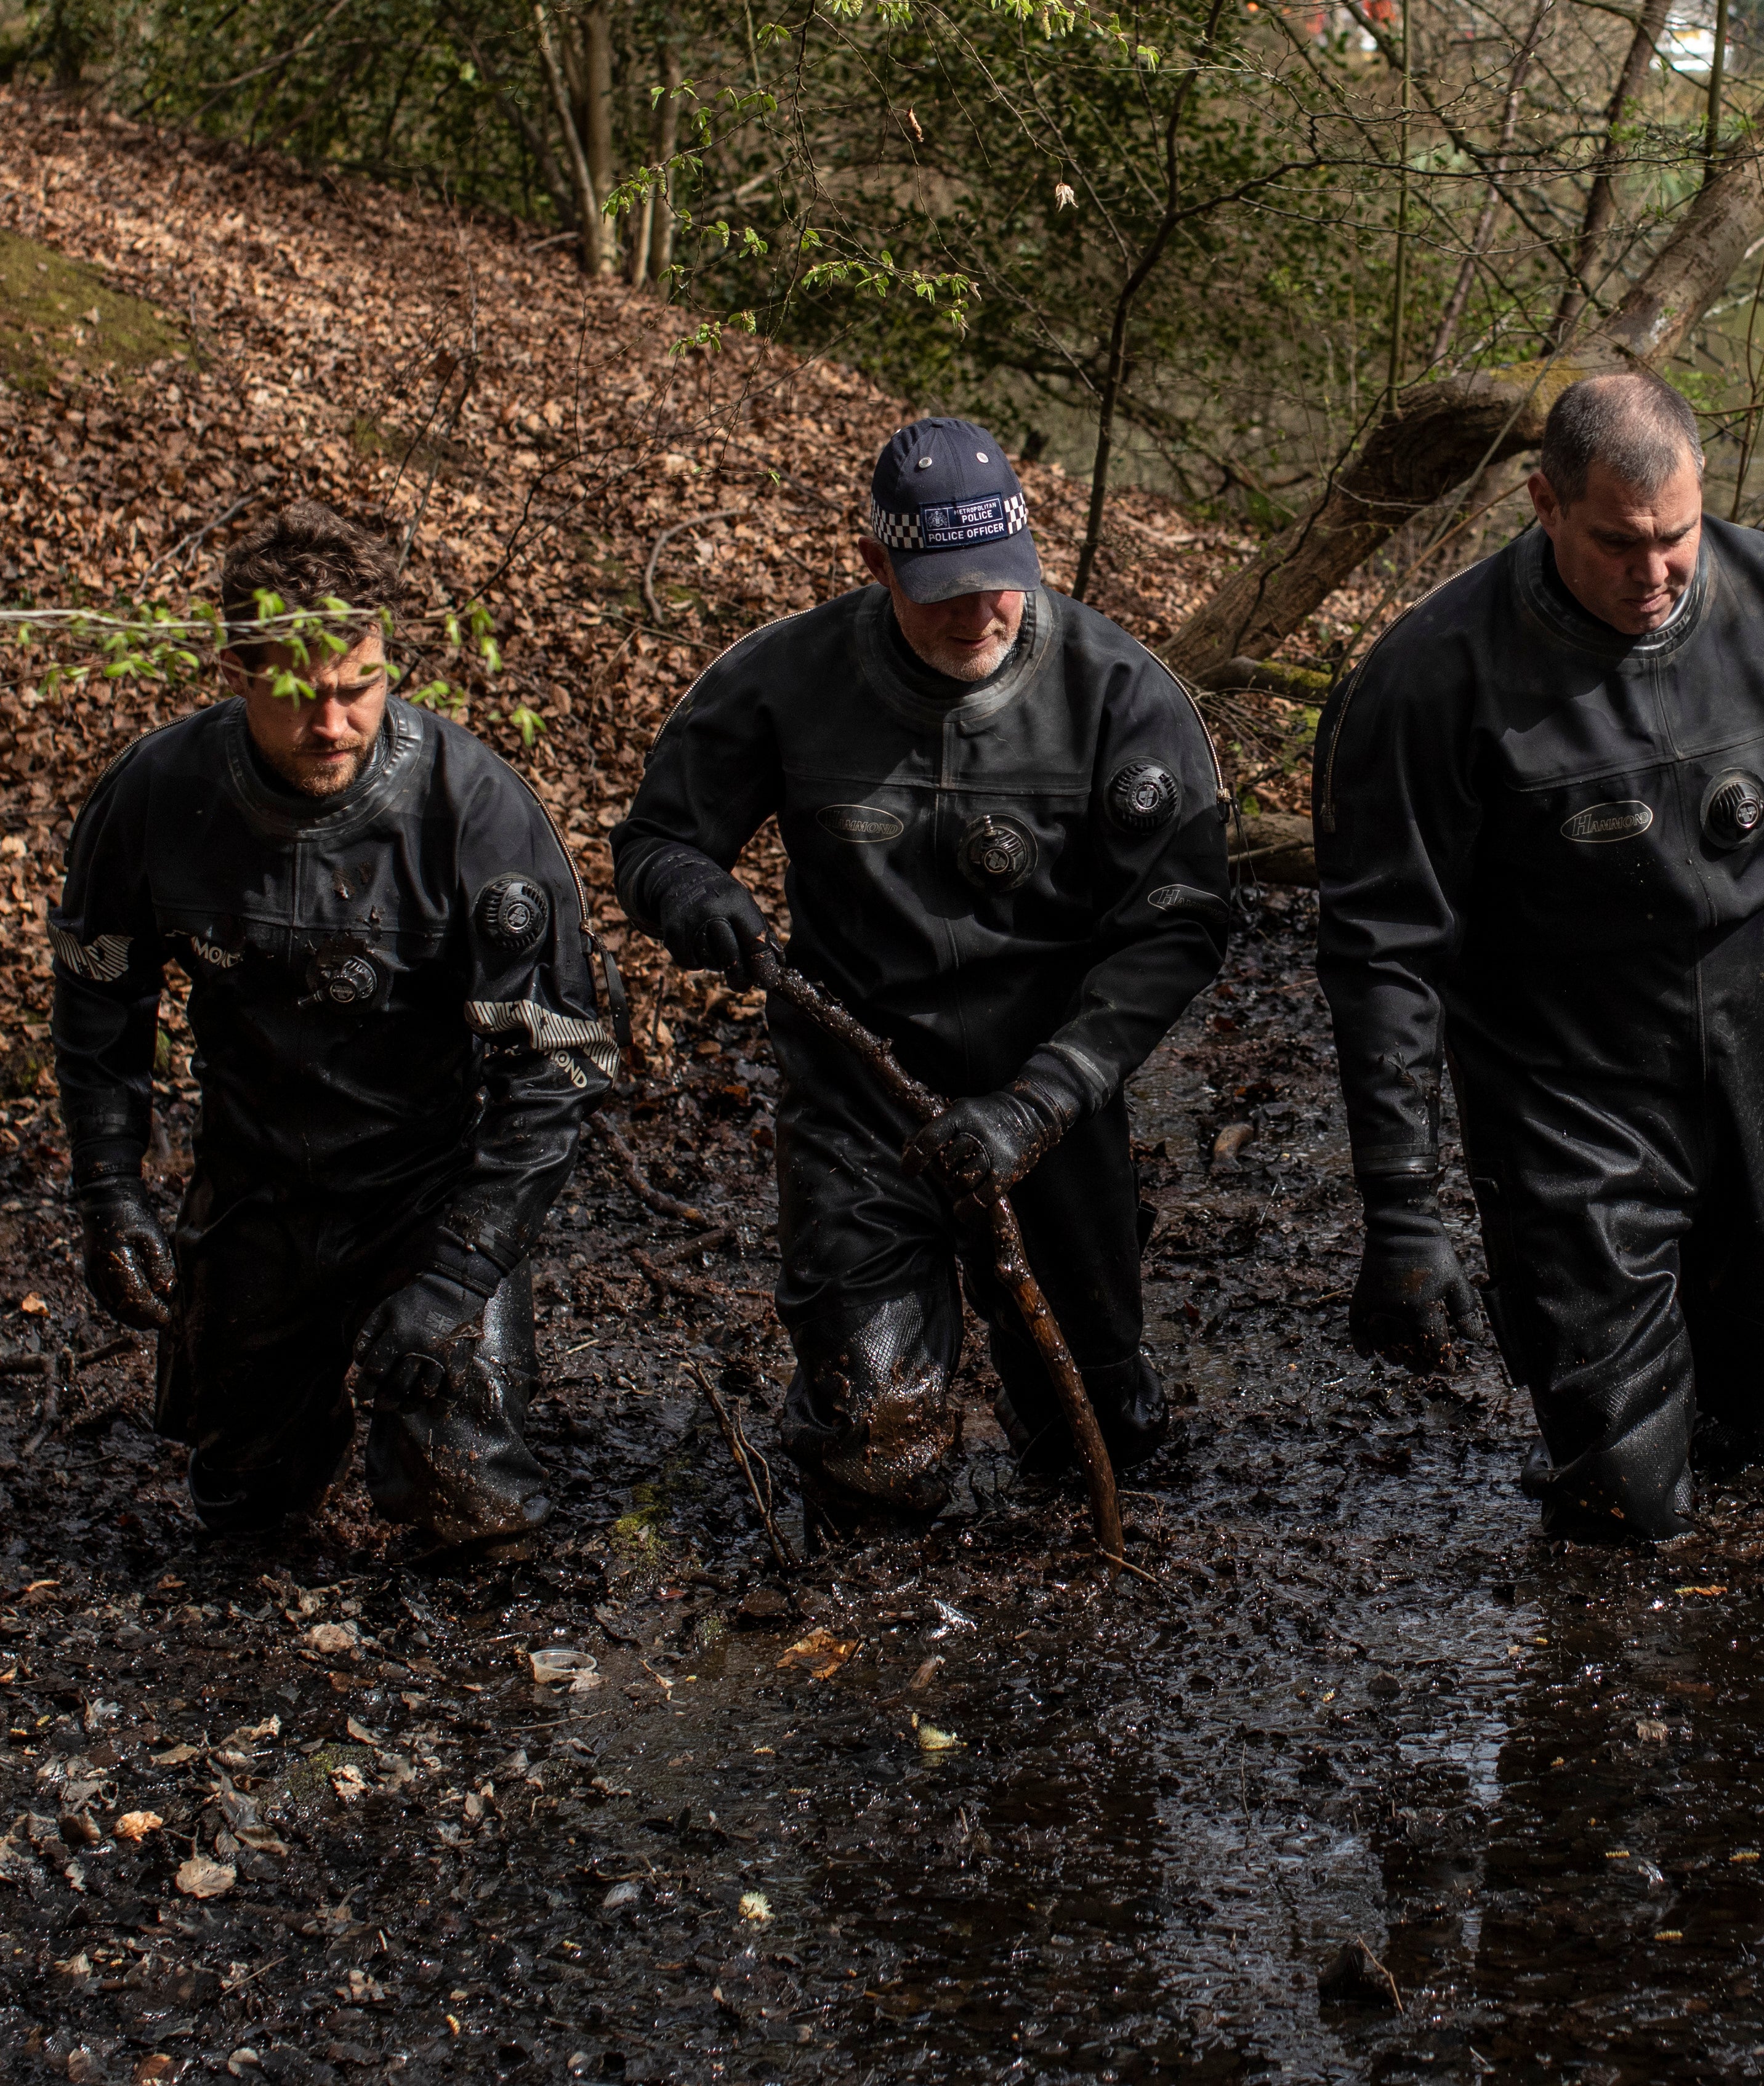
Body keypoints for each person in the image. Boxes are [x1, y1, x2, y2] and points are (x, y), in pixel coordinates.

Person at [1316, 370, 1764, 1545]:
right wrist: (1400, 1206)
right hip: (1559, 1076)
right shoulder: (1433, 674)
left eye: (1675, 537)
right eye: (1618, 543)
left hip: (1749, 1040)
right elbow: (1382, 950)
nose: (1654, 574)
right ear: (1543, 506)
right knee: (1629, 1499)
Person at [611, 419, 1230, 1525]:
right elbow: (656, 841)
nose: (978, 613)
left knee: (1094, 1422)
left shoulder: (1118, 691)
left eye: (1000, 583)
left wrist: (1044, 1098)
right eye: (942, 588)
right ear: (875, 565)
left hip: (1051, 1088)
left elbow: (1179, 924)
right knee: (870, 1451)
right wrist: (696, 897)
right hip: (859, 1096)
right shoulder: (783, 677)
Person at [52, 501, 612, 1552]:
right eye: (300, 698)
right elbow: (98, 1007)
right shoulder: (158, 793)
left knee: (472, 1505)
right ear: (235, 673)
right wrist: (111, 1195)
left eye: (361, 691)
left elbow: (557, 1069)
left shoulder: (473, 805)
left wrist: (458, 1274)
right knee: (241, 1508)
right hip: (257, 1183)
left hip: (427, 1190)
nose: (334, 728)